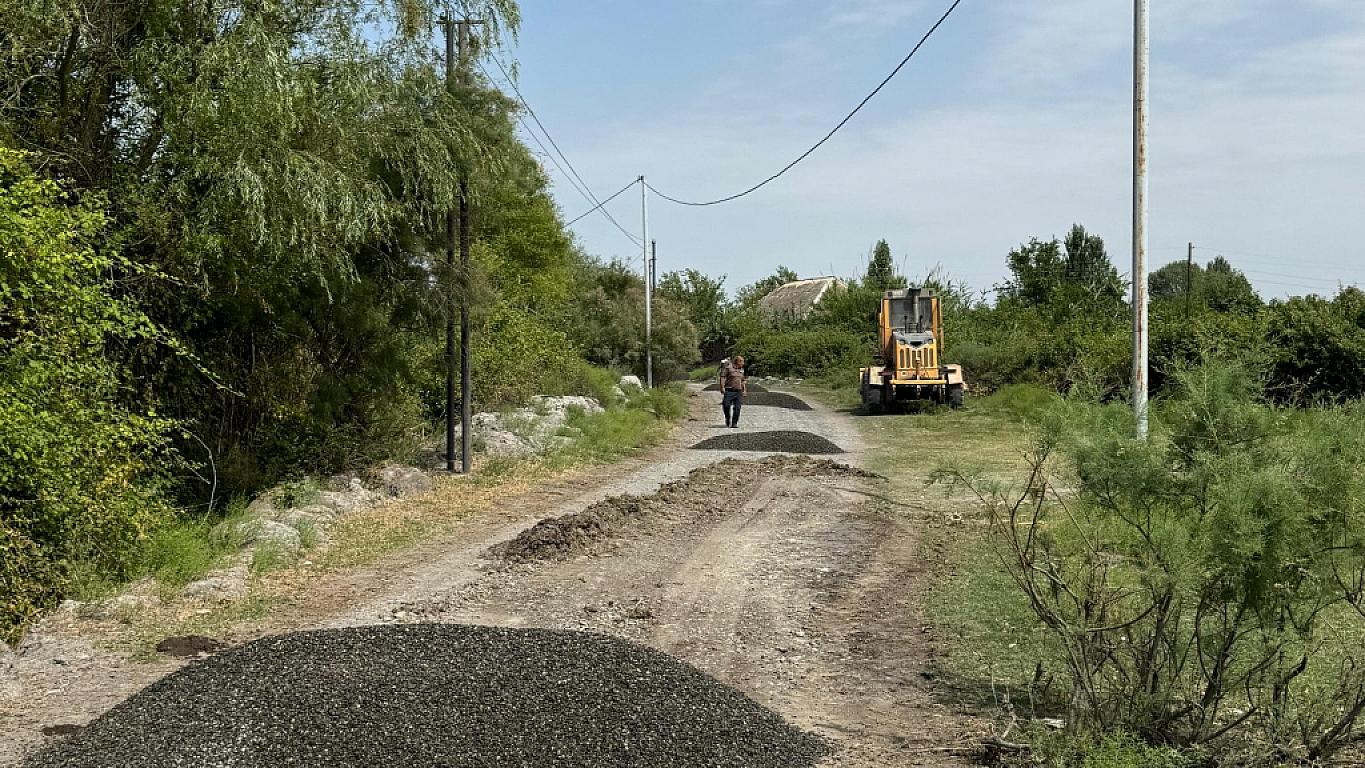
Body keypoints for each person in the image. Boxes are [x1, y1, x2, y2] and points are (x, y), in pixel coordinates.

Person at [719, 355, 747, 428]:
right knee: (726, 405)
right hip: (729, 390)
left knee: (737, 408)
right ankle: (727, 418)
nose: (743, 363)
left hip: (738, 391)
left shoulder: (741, 370)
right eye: (741, 361)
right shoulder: (728, 368)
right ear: (737, 361)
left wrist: (744, 390)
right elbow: (723, 377)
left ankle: (734, 423)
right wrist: (722, 387)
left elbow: (743, 380)